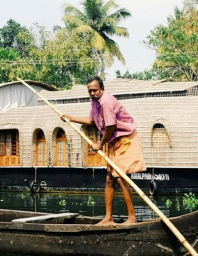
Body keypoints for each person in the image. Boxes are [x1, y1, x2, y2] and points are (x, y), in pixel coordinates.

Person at [62, 77, 146, 225]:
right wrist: (72, 118)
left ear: (102, 89)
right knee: (109, 179)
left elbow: (111, 127)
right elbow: (93, 122)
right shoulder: (95, 102)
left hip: (125, 140)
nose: (92, 93)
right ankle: (108, 218)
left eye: (95, 90)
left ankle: (132, 218)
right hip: (113, 142)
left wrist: (100, 145)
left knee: (121, 177)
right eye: (90, 91)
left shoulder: (106, 102)